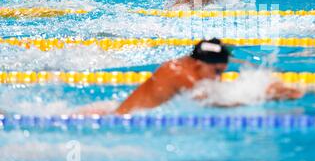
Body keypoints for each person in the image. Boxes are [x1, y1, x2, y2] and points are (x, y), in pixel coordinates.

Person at [114, 38, 304, 115]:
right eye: (217, 72)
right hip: (124, 123)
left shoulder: (188, 63)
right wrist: (266, 94)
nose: (218, 78)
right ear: (198, 64)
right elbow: (214, 100)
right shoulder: (181, 75)